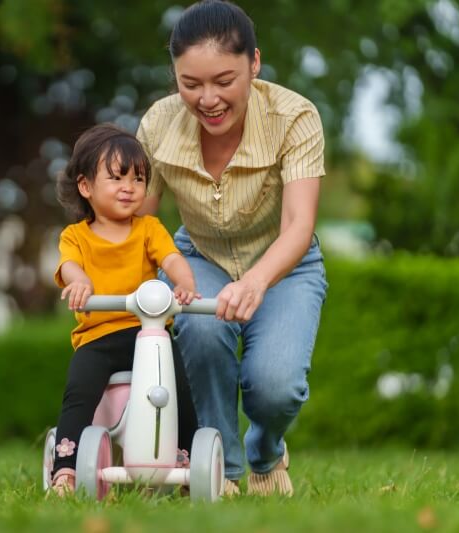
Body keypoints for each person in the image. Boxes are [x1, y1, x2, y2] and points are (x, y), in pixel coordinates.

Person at [136, 0, 328, 498]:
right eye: (191, 84)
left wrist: (256, 281)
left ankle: (266, 453)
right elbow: (140, 224)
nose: (208, 99)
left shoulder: (295, 117)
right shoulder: (158, 125)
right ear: (174, 74)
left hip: (285, 264)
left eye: (224, 81)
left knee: (275, 387)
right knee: (198, 328)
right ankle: (222, 471)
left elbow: (299, 225)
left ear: (255, 63)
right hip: (197, 258)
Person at [50, 123, 200, 496]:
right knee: (79, 392)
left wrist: (184, 283)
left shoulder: (148, 228)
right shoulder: (76, 236)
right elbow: (69, 266)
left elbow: (171, 258)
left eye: (138, 178)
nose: (129, 187)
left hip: (147, 334)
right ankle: (65, 469)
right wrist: (80, 282)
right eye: (117, 178)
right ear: (85, 187)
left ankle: (187, 456)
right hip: (98, 337)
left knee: (178, 385)